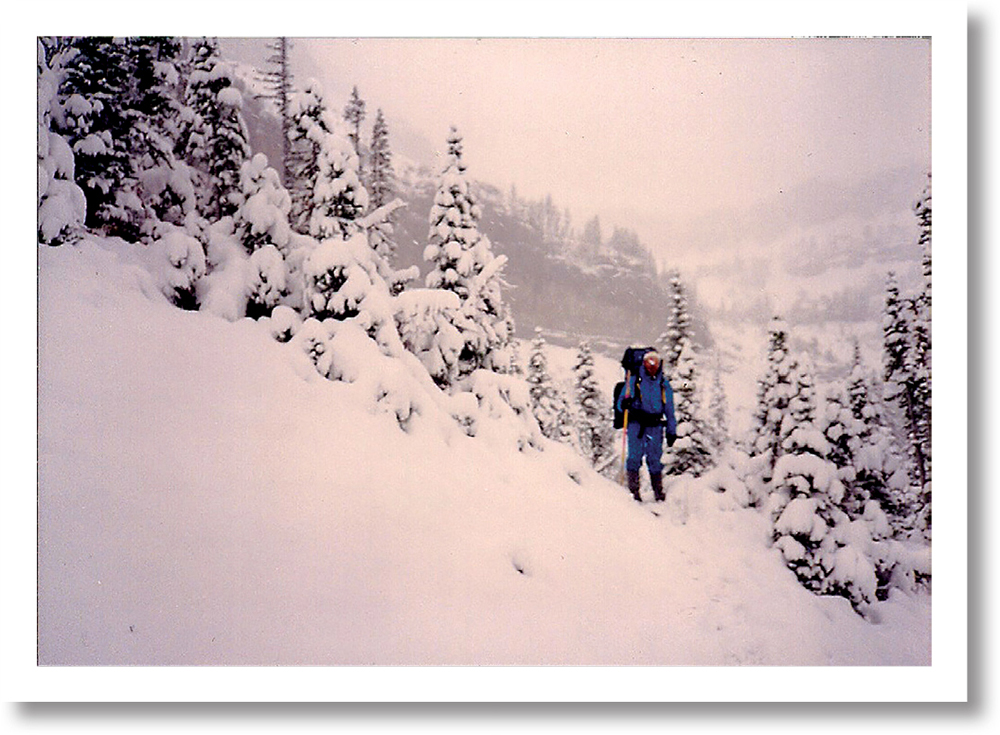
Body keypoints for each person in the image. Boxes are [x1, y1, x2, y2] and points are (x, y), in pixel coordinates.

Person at [616, 350, 677, 503]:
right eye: (648, 361)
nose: (651, 365)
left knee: (655, 459)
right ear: (643, 363)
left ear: (659, 363)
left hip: (655, 426)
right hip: (636, 425)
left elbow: (669, 409)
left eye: (655, 362)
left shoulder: (663, 384)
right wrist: (624, 404)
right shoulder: (634, 380)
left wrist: (671, 430)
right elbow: (620, 404)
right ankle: (633, 493)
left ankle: (658, 493)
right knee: (634, 458)